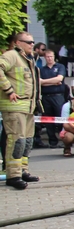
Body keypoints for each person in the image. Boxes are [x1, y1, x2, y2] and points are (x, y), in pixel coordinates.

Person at [0, 31, 43, 189]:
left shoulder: (28, 59)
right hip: (15, 107)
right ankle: (13, 175)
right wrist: (9, 90)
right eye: (28, 42)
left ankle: (23, 170)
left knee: (27, 141)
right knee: (16, 141)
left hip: (28, 107)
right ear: (18, 43)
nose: (32, 45)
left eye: (32, 42)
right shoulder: (12, 55)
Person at [37, 49, 68, 149]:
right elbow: (39, 82)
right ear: (45, 58)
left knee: (61, 118)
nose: (49, 58)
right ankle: (52, 142)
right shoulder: (41, 70)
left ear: (54, 57)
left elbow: (59, 79)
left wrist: (44, 82)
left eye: (51, 56)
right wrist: (53, 82)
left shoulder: (60, 66)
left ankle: (64, 140)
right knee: (48, 120)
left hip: (58, 96)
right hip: (46, 97)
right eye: (47, 57)